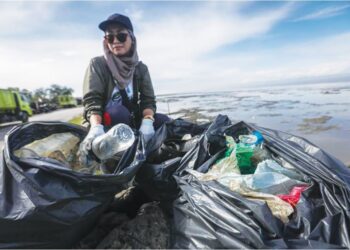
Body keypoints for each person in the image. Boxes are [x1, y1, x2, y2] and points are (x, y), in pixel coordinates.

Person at [80, 13, 170, 158]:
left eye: (121, 36)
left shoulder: (141, 69)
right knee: (118, 112)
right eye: (110, 37)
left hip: (131, 120)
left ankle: (150, 156)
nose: (115, 41)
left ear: (132, 38)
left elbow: (148, 100)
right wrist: (96, 126)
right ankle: (118, 159)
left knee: (164, 121)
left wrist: (147, 122)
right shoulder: (98, 64)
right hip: (105, 124)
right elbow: (92, 100)